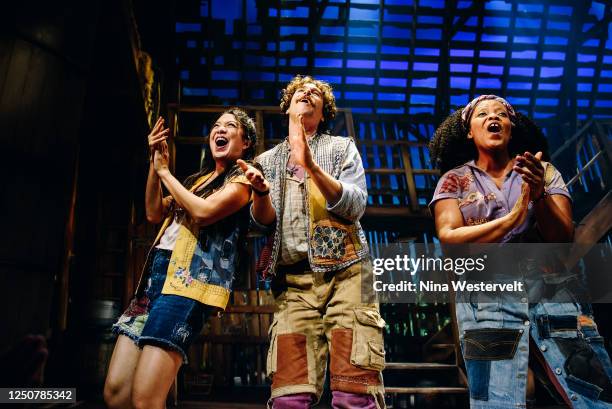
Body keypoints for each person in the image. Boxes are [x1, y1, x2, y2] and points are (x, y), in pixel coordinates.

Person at [429, 95, 612, 408]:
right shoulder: (455, 180)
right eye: (483, 114)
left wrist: (539, 195)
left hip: (552, 290)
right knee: (496, 401)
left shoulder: (542, 171)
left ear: (510, 129)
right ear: (470, 132)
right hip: (485, 296)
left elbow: (561, 238)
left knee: (592, 396)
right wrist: (513, 218)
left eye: (501, 114)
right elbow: (450, 239)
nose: (493, 117)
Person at [242, 75, 386, 409]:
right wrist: (261, 193)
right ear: (287, 106)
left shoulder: (341, 147)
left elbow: (355, 205)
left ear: (323, 114)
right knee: (289, 397)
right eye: (300, 92)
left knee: (354, 391)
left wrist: (311, 166)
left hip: (347, 275)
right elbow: (261, 223)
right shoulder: (266, 160)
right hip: (293, 284)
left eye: (316, 94)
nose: (308, 93)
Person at [104, 108, 263, 409]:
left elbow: (203, 213)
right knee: (116, 395)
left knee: (145, 399)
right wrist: (155, 164)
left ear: (246, 143)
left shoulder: (243, 179)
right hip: (154, 278)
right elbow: (153, 212)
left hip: (188, 284)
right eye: (216, 125)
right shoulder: (195, 180)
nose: (220, 129)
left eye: (230, 126)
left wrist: (166, 173)